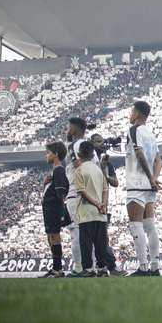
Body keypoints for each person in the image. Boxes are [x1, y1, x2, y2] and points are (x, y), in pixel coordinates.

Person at [125, 101, 162, 277]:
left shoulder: (134, 130)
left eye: (132, 111)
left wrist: (149, 178)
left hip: (136, 183)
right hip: (148, 185)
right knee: (150, 226)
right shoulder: (151, 134)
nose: (130, 114)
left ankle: (142, 267)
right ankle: (154, 266)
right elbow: (158, 160)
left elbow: (139, 153)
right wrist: (154, 179)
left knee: (136, 225)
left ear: (138, 114)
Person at [72, 142, 117, 277]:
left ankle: (89, 269)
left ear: (79, 154)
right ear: (92, 155)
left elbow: (82, 192)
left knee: (86, 243)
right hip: (100, 214)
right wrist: (103, 205)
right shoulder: (98, 170)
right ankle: (102, 268)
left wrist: (97, 204)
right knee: (100, 243)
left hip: (86, 212)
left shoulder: (79, 170)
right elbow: (105, 189)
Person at [64, 117, 98, 275]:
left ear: (74, 129)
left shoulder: (74, 146)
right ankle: (92, 267)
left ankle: (79, 268)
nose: (67, 131)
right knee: (89, 233)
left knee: (76, 231)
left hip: (76, 192)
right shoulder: (91, 149)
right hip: (93, 193)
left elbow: (79, 167)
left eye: (68, 128)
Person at [90, 133, 124, 276]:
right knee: (92, 238)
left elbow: (115, 183)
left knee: (102, 238)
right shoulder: (89, 162)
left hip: (103, 204)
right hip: (90, 202)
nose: (101, 144)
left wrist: (105, 172)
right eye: (97, 142)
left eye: (102, 142)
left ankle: (107, 266)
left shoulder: (106, 163)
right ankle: (99, 267)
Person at [39, 142, 69, 278]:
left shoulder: (59, 170)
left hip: (54, 208)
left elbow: (61, 192)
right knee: (51, 237)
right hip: (50, 208)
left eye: (48, 152)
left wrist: (62, 211)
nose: (46, 155)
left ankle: (57, 269)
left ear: (56, 154)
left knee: (54, 236)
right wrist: (46, 183)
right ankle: (56, 268)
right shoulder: (55, 171)